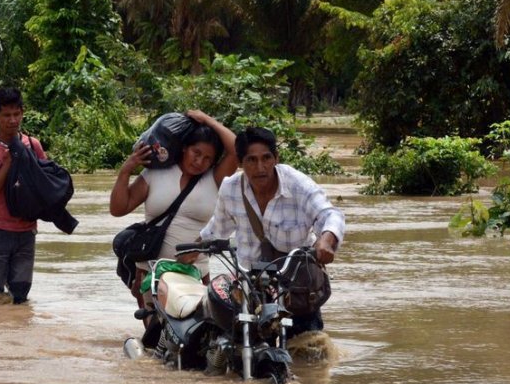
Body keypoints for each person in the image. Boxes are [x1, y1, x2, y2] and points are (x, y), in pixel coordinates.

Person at [199, 126, 345, 335]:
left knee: (309, 350)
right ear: (240, 163)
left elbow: (330, 214)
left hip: (296, 287)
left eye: (266, 158)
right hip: (250, 284)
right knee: (233, 343)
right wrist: (191, 251)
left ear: (276, 158)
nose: (261, 167)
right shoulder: (230, 189)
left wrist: (326, 240)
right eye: (251, 160)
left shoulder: (297, 184)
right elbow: (217, 229)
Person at [109, 110, 239, 313]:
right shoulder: (154, 174)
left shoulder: (214, 178)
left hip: (195, 270)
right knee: (154, 337)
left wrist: (206, 119)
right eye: (196, 153)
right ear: (184, 148)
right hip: (150, 271)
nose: (199, 162)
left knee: (195, 333)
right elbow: (118, 209)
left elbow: (237, 150)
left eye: (207, 158)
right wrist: (125, 171)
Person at [0, 87, 45, 304]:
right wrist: (8, 163)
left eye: (16, 114)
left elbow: (45, 183)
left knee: (21, 299)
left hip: (26, 232)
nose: (12, 120)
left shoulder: (33, 145)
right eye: (6, 115)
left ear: (23, 112)